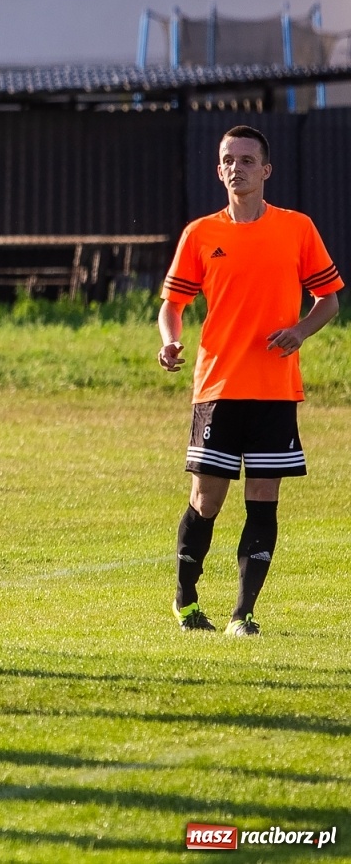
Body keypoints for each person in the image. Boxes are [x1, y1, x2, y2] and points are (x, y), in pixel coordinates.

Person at [158, 124, 341, 637]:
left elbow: (328, 299)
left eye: (246, 160)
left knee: (263, 497)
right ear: (218, 171)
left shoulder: (297, 228)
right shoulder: (201, 234)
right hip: (218, 387)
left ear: (266, 170)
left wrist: (300, 331)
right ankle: (186, 602)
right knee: (207, 500)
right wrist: (170, 340)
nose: (236, 167)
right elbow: (173, 304)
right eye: (227, 160)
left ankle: (243, 615)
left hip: (275, 390)